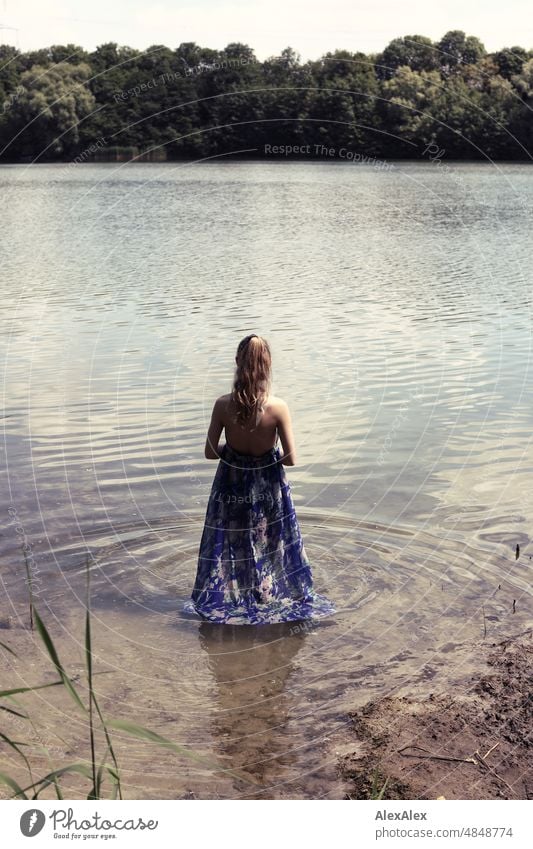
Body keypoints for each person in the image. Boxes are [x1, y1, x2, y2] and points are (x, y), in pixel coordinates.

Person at [184, 334, 335, 624]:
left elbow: (209, 453)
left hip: (231, 485)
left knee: (234, 540)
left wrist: (234, 451)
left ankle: (231, 599)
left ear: (237, 363)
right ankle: (267, 598)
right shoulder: (278, 407)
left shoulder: (222, 405)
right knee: (268, 542)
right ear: (267, 366)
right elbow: (291, 458)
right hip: (268, 488)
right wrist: (266, 456)